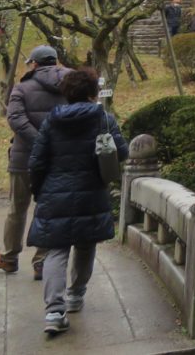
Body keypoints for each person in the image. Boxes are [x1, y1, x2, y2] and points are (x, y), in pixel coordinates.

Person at [28, 67, 127, 337]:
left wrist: (38, 190)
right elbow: (122, 152)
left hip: (54, 194)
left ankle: (54, 312)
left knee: (56, 251)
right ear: (93, 93)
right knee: (85, 246)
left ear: (66, 93)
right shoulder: (103, 119)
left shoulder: (51, 120)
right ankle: (75, 296)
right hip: (91, 193)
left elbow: (37, 161)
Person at [0, 45, 72, 277]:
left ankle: (9, 258)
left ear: (34, 64)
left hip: (24, 158)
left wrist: (39, 142)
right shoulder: (70, 86)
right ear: (55, 61)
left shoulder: (22, 88)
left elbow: (16, 118)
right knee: (47, 209)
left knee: (17, 209)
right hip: (57, 158)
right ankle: (41, 262)